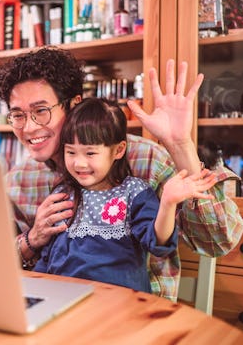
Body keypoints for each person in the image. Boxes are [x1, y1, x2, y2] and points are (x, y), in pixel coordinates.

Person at [0, 47, 243, 301]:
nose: (29, 127)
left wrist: (180, 145)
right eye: (18, 115)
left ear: (74, 105)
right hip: (55, 318)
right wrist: (32, 240)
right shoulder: (18, 181)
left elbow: (217, 241)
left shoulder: (144, 159)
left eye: (41, 111)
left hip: (137, 315)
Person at [32, 98, 218, 292]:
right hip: (62, 301)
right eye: (71, 152)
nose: (79, 163)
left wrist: (168, 203)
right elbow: (48, 257)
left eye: (90, 153)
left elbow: (158, 242)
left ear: (118, 150)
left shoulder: (135, 193)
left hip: (120, 305)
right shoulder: (62, 194)